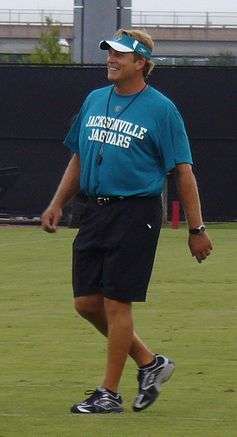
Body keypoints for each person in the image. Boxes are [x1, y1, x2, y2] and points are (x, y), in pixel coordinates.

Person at [41, 28, 213, 414]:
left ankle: (109, 393)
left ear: (141, 63)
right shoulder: (94, 99)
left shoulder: (161, 109)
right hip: (94, 211)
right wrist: (57, 203)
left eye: (120, 55)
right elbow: (78, 156)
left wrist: (196, 229)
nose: (111, 59)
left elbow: (183, 172)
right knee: (86, 304)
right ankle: (151, 363)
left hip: (136, 212)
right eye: (109, 53)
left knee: (118, 304)